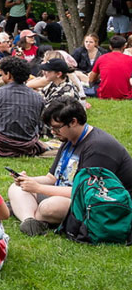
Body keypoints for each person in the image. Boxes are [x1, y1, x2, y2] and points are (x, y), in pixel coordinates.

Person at [10, 99, 132, 236]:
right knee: (16, 187)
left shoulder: (98, 147)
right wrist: (28, 180)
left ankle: (28, 212)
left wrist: (38, 188)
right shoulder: (68, 139)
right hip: (69, 193)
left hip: (101, 203)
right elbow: (52, 178)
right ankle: (30, 220)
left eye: (57, 127)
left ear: (73, 122)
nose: (53, 132)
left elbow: (84, 193)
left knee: (49, 206)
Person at [89, 35, 132, 100]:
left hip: (104, 95)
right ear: (124, 46)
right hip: (126, 95)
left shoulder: (102, 58)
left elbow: (91, 79)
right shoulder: (130, 59)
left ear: (110, 47)